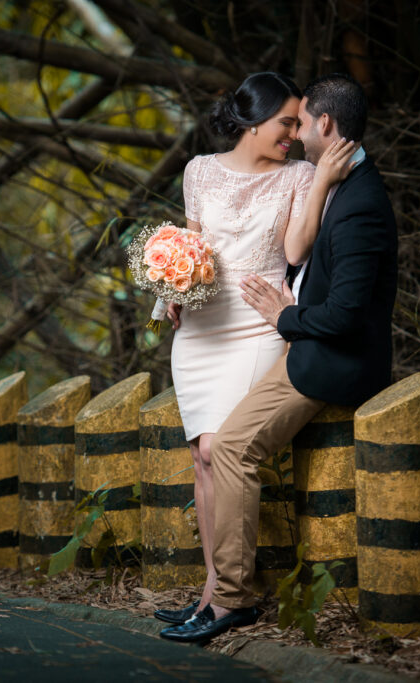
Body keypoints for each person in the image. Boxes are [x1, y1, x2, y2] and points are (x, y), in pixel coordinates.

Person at [159, 73, 398, 643]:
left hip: (267, 321)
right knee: (204, 459)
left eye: (299, 122)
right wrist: (172, 284)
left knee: (226, 449)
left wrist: (285, 318)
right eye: (283, 122)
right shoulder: (199, 170)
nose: (291, 133)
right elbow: (193, 245)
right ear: (252, 120)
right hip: (204, 323)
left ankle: (231, 599)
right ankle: (213, 593)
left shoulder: (312, 178)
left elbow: (299, 257)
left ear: (323, 125)